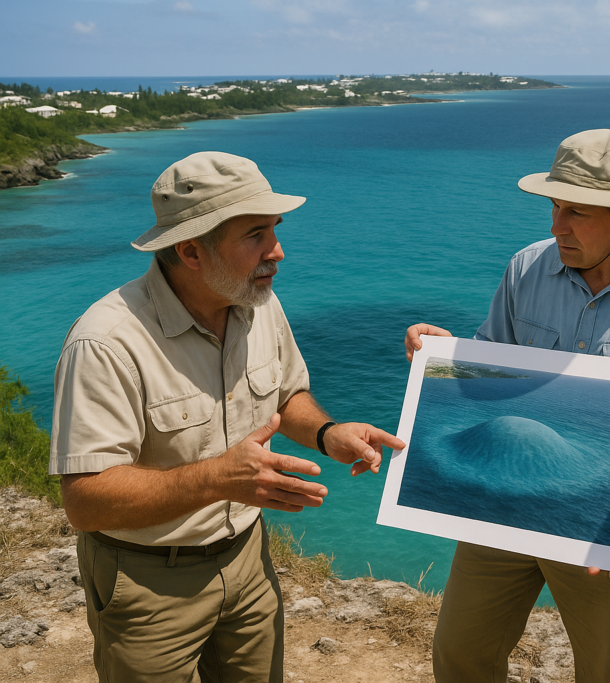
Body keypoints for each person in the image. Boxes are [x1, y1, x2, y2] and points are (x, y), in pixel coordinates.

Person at [405, 129, 610, 683]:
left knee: (606, 671)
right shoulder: (525, 269)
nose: (556, 226)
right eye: (555, 206)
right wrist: (447, 357)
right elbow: (492, 371)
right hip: (503, 504)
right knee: (459, 655)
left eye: (577, 212)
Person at [49, 151, 405, 681]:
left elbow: (285, 395)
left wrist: (328, 433)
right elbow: (85, 501)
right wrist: (216, 478)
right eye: (255, 235)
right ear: (192, 250)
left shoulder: (258, 302)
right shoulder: (105, 343)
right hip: (147, 581)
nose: (277, 252)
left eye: (275, 230)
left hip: (248, 559)